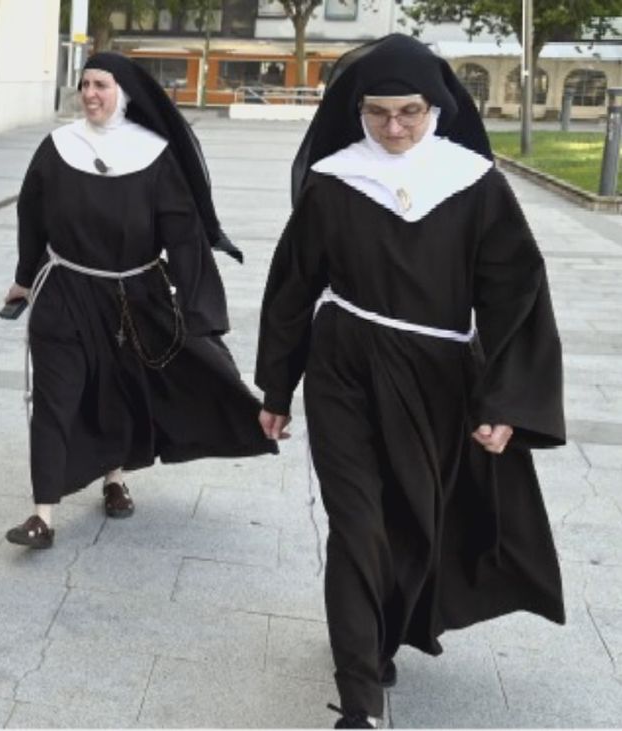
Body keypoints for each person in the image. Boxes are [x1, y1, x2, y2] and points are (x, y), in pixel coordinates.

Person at [256, 34, 566, 729]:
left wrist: (504, 399)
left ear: (438, 108)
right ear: (356, 110)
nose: (393, 128)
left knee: (409, 518)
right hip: (344, 366)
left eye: (409, 112)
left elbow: (515, 294)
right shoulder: (335, 181)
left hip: (439, 376)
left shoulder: (474, 184)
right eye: (377, 112)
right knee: (355, 523)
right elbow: (293, 286)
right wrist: (277, 388)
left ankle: (380, 633)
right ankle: (359, 700)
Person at [3, 52, 275, 549]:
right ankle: (42, 514)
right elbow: (31, 217)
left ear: (124, 93)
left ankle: (115, 479)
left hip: (134, 296)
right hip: (65, 290)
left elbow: (183, 234)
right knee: (54, 398)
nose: (89, 94)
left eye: (101, 85)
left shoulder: (154, 154)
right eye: (84, 84)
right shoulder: (57, 147)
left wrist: (196, 307)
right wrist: (25, 278)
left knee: (117, 391)